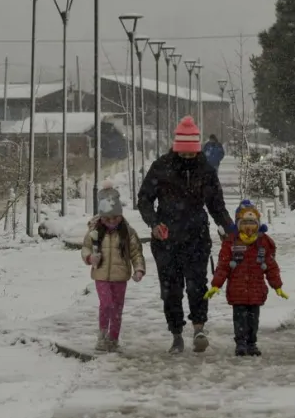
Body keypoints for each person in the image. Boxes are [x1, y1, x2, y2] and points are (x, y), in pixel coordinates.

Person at [137, 116, 235, 354]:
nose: (189, 157)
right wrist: (154, 223)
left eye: (192, 153)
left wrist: (230, 231)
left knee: (197, 286)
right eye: (185, 153)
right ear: (177, 148)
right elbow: (144, 200)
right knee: (170, 290)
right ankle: (176, 334)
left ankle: (199, 328)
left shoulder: (206, 170)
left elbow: (217, 206)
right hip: (166, 240)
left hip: (196, 238)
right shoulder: (161, 167)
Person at [204, 199, 288, 356]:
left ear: (257, 224)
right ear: (238, 224)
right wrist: (216, 284)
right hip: (237, 291)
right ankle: (240, 343)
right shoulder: (231, 242)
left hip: (256, 291)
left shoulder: (263, 243)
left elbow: (271, 266)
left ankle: (252, 343)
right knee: (239, 319)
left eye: (252, 223)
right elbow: (223, 266)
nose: (249, 227)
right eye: (245, 223)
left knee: (253, 320)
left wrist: (277, 286)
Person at [81, 183, 146, 352]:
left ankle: (113, 338)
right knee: (107, 304)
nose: (111, 222)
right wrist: (90, 257)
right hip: (101, 274)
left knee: (117, 307)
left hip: (120, 276)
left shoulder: (127, 232)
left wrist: (138, 269)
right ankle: (102, 334)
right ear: (101, 217)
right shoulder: (95, 231)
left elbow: (136, 252)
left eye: (115, 218)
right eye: (107, 219)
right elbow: (86, 247)